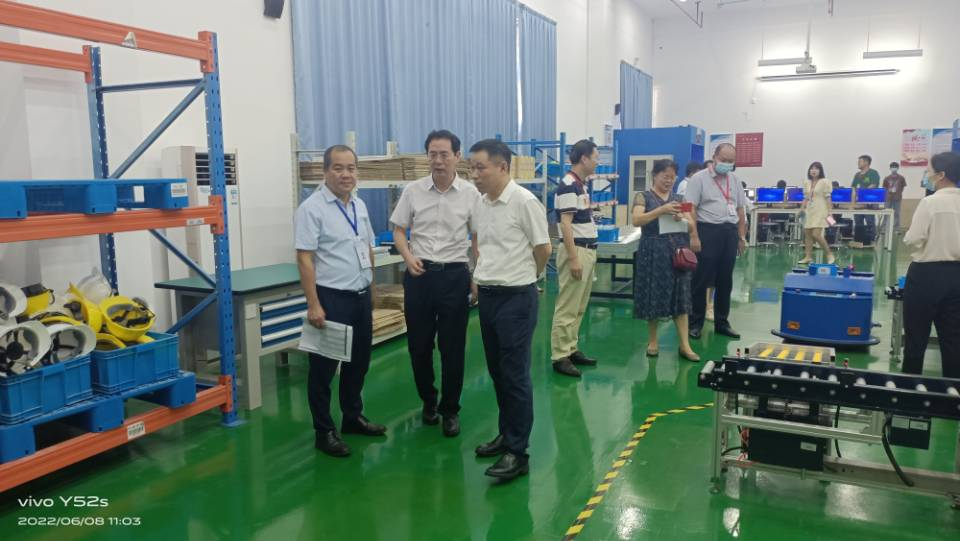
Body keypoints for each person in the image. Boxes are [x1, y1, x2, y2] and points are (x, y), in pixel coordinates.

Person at [294, 145, 386, 458]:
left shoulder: (359, 205)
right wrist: (313, 304)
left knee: (358, 363)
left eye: (351, 168)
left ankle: (352, 417)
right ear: (325, 171)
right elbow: (304, 258)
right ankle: (324, 431)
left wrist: (372, 287)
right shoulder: (312, 209)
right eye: (338, 168)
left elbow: (367, 248)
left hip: (359, 296)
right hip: (331, 298)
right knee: (323, 370)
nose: (346, 174)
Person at [468, 139, 551, 481]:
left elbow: (543, 249)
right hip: (488, 297)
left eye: (480, 168)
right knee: (498, 372)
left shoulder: (524, 202)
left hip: (516, 297)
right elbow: (482, 245)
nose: (474, 175)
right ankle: (506, 433)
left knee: (515, 376)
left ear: (502, 167)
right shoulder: (482, 203)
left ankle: (518, 452)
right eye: (471, 168)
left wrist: (527, 277)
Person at [390, 130, 479, 437]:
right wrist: (407, 256)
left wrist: (476, 277)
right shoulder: (413, 191)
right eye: (432, 154)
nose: (438, 160)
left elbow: (477, 237)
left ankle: (450, 410)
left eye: (444, 154)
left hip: (455, 275)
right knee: (419, 346)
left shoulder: (470, 194)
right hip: (420, 276)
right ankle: (428, 401)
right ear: (426, 156)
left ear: (457, 156)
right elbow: (398, 229)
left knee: (453, 348)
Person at [631, 159, 700, 362]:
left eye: (672, 177)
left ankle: (685, 345)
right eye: (665, 176)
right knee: (653, 294)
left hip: (677, 252)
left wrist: (683, 219)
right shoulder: (643, 197)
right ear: (655, 175)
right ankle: (653, 341)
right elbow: (636, 220)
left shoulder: (680, 199)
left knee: (681, 296)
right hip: (653, 250)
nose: (669, 181)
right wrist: (660, 211)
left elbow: (691, 225)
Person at [901, 152, 960, 379]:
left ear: (941, 175)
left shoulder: (930, 202)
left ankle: (909, 390)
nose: (926, 176)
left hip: (927, 276)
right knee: (953, 340)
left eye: (929, 171)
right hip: (957, 276)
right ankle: (952, 392)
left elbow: (913, 238)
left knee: (916, 338)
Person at [685, 143, 748, 340]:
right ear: (714, 157)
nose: (727, 164)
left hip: (729, 233)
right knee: (700, 279)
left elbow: (740, 209)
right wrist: (693, 235)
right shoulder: (698, 179)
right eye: (724, 160)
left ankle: (722, 322)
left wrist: (741, 236)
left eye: (731, 161)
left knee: (725, 280)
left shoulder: (735, 180)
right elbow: (689, 208)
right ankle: (695, 323)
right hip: (707, 231)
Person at [550, 139, 600, 378]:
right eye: (596, 158)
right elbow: (565, 224)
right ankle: (560, 356)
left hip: (586, 249)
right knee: (568, 306)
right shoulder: (569, 185)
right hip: (577, 250)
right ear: (584, 158)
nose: (597, 162)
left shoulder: (580, 185)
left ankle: (570, 348)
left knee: (579, 306)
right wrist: (573, 259)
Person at [798, 161, 835, 265]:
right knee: (808, 234)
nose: (813, 170)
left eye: (816, 168)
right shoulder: (807, 182)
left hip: (821, 210)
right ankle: (808, 257)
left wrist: (830, 212)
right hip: (809, 210)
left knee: (816, 234)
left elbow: (828, 198)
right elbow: (806, 197)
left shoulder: (825, 182)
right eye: (812, 168)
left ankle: (829, 253)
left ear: (820, 171)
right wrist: (802, 209)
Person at [851, 154, 881, 246]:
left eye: (860, 161)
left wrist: (862, 194)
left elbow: (873, 185)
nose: (858, 163)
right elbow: (853, 189)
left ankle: (870, 240)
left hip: (869, 204)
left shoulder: (873, 173)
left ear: (866, 162)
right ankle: (859, 239)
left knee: (870, 222)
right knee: (858, 222)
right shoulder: (857, 175)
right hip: (858, 204)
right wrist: (853, 203)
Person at [882, 161, 907, 231]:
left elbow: (902, 187)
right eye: (892, 167)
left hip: (897, 198)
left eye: (895, 167)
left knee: (897, 214)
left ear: (898, 168)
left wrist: (898, 193)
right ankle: (884, 228)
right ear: (890, 168)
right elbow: (884, 188)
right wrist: (887, 194)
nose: (894, 168)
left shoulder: (901, 178)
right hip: (888, 198)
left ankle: (896, 228)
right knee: (886, 213)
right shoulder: (887, 178)